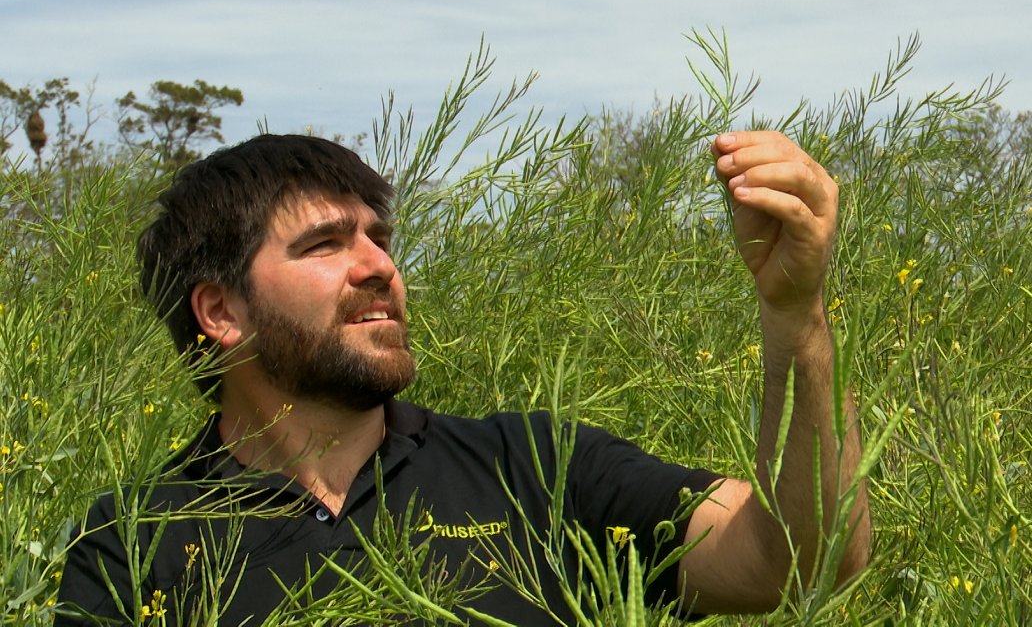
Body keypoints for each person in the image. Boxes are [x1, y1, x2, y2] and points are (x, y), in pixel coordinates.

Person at [56, 131, 869, 624]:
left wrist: (798, 320)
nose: (381, 267)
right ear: (219, 312)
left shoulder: (533, 471)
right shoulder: (134, 544)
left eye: (380, 237)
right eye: (325, 245)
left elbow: (803, 559)